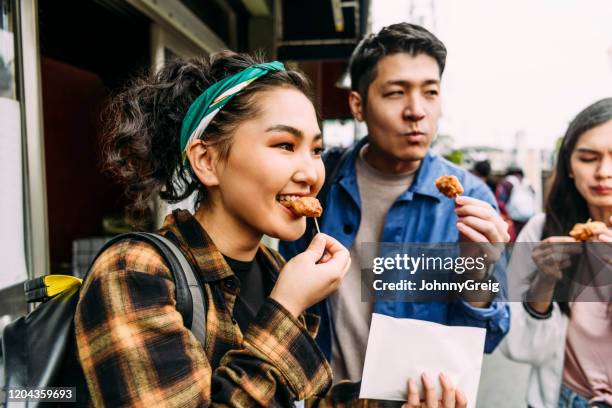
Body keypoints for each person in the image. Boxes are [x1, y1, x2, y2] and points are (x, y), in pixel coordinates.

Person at [74, 51, 353, 407]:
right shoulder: (134, 271)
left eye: (316, 150)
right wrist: (287, 307)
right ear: (206, 161)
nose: (311, 174)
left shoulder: (275, 270)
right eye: (285, 145)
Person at [280, 22, 510, 402]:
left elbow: (493, 334)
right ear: (358, 105)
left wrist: (478, 272)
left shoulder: (473, 197)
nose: (416, 111)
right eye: (396, 92)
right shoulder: (318, 184)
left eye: (430, 93)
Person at [500, 98, 612, 408]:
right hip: (561, 399)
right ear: (569, 168)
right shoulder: (542, 231)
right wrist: (545, 282)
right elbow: (519, 347)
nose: (604, 171)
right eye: (588, 158)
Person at [496, 166, 536, 237]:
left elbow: (500, 201)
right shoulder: (528, 182)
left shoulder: (507, 182)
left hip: (513, 219)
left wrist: (504, 215)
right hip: (528, 217)